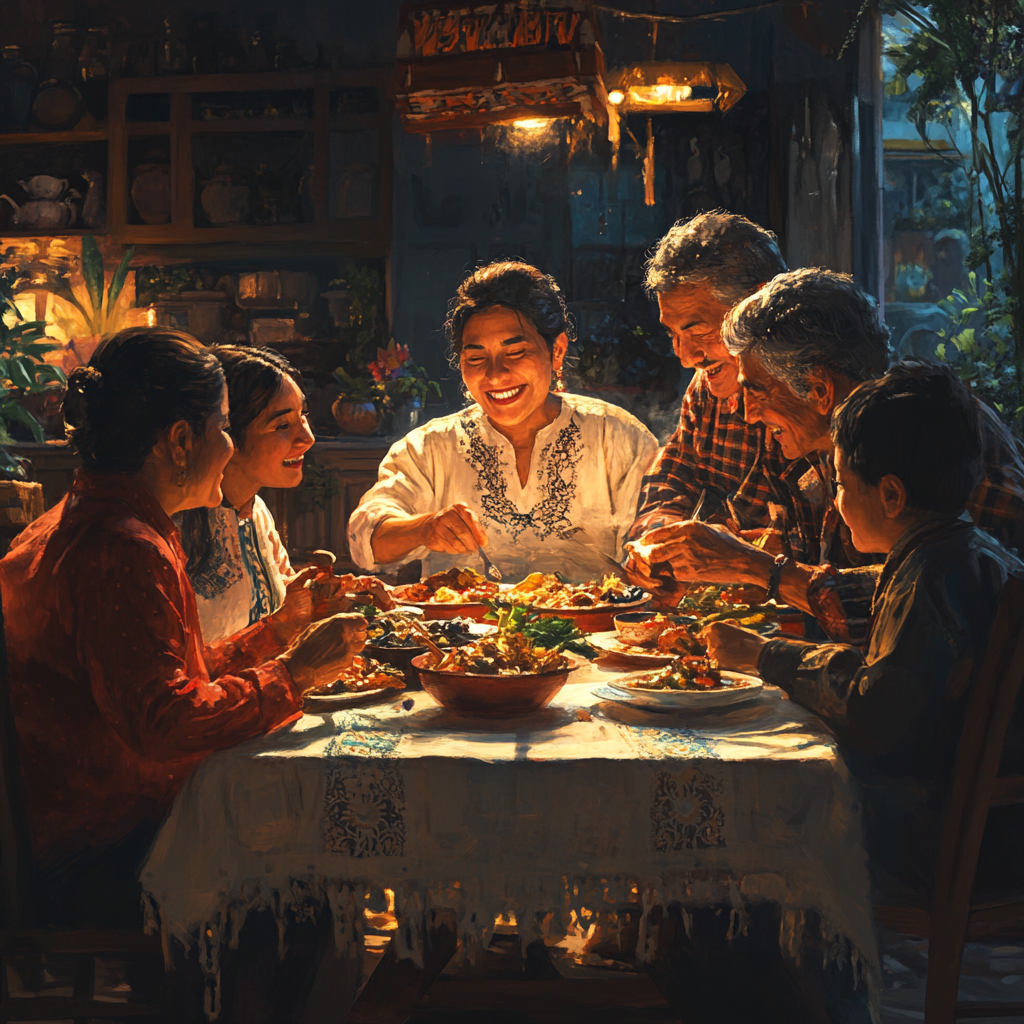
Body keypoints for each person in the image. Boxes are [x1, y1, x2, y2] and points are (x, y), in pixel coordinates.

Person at [0, 327, 366, 926]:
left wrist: (276, 632)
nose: (226, 447)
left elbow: (164, 680)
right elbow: (167, 723)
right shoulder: (124, 547)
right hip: (101, 852)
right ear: (178, 441)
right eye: (223, 427)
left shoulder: (92, 518)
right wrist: (294, 673)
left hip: (79, 824)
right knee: (313, 873)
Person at [702, 363, 1024, 900]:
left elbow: (878, 714)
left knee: (745, 812)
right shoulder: (970, 554)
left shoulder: (932, 577)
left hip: (949, 844)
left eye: (843, 484)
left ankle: (779, 974)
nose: (836, 502)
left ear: (891, 496)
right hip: (993, 830)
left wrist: (766, 655)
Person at [628, 269, 1024, 638]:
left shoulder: (934, 431)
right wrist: (737, 558)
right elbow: (817, 560)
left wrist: (754, 567)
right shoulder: (813, 439)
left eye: (757, 390)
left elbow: (959, 591)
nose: (747, 414)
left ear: (820, 389)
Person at [348, 261, 659, 583]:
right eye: (476, 358)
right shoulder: (430, 448)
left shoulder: (616, 436)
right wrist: (424, 528)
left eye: (516, 352)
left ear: (557, 351)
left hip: (591, 629)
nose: (495, 374)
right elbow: (365, 539)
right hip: (463, 629)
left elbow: (657, 541)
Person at [176, 346, 390, 645]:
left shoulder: (256, 512)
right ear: (224, 433)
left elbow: (282, 607)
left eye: (303, 415)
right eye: (282, 425)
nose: (307, 438)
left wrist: (333, 598)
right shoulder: (175, 527)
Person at [628, 211, 788, 542]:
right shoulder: (707, 387)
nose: (686, 358)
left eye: (697, 329)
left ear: (756, 305)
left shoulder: (820, 394)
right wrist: (659, 528)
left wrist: (762, 557)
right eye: (672, 333)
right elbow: (675, 473)